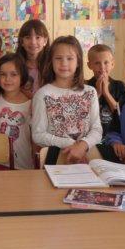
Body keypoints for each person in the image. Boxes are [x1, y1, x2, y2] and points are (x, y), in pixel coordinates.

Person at [31, 36, 102, 165]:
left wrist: (83, 145)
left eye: (70, 58)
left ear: (78, 62)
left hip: (88, 159)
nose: (64, 63)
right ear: (51, 62)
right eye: (58, 58)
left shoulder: (90, 92)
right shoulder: (42, 94)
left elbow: (97, 130)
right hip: (56, 161)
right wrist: (71, 144)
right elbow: (38, 134)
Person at [0, 53, 33, 169]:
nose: (8, 79)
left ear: (22, 76)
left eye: (13, 74)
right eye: (3, 74)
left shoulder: (31, 105)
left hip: (22, 167)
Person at [86, 44, 125, 137]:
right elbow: (83, 115)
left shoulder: (119, 86)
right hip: (90, 136)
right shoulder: (86, 86)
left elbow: (123, 114)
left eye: (106, 62)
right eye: (97, 63)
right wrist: (98, 93)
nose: (102, 67)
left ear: (112, 64)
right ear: (89, 65)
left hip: (115, 136)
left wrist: (106, 93)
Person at [15, 19, 50, 96]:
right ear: (22, 41)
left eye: (37, 37)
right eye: (28, 37)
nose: (33, 42)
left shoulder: (51, 65)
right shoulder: (15, 64)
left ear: (45, 41)